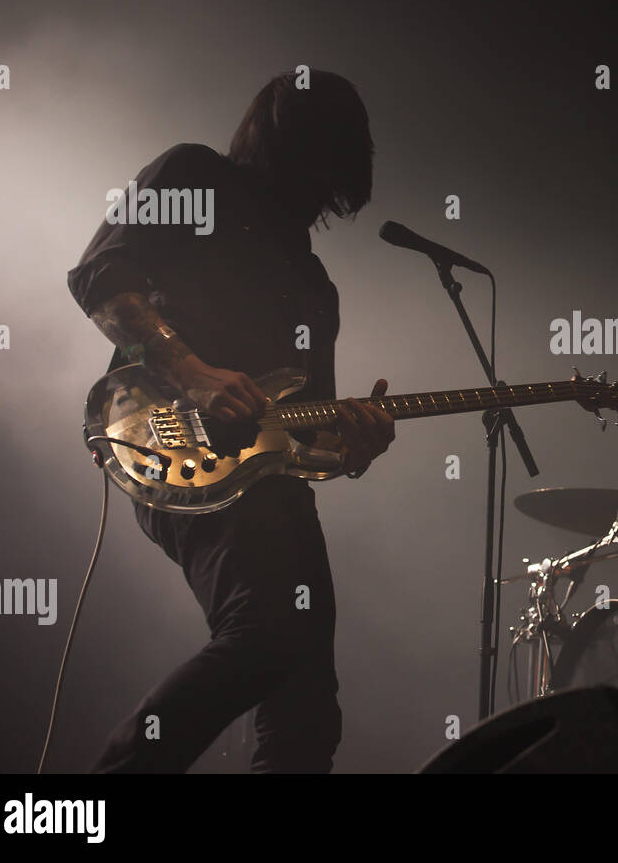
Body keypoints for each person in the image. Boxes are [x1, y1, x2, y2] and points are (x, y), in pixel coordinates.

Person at [66, 70, 394, 772]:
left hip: (274, 487)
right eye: (320, 167)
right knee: (267, 634)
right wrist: (195, 372)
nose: (322, 201)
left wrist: (355, 442)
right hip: (169, 435)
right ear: (292, 146)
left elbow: (307, 438)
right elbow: (98, 274)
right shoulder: (195, 175)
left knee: (308, 713)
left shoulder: (314, 284)